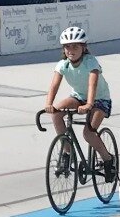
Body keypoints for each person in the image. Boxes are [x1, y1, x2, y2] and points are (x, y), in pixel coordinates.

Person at [44, 25, 116, 178]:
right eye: (67, 47)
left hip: (100, 99)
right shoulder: (63, 65)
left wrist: (89, 104)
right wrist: (49, 104)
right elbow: (54, 85)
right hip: (78, 97)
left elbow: (92, 84)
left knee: (88, 133)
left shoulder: (90, 62)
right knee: (56, 114)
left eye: (75, 46)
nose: (71, 50)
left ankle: (108, 159)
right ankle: (67, 153)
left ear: (83, 47)